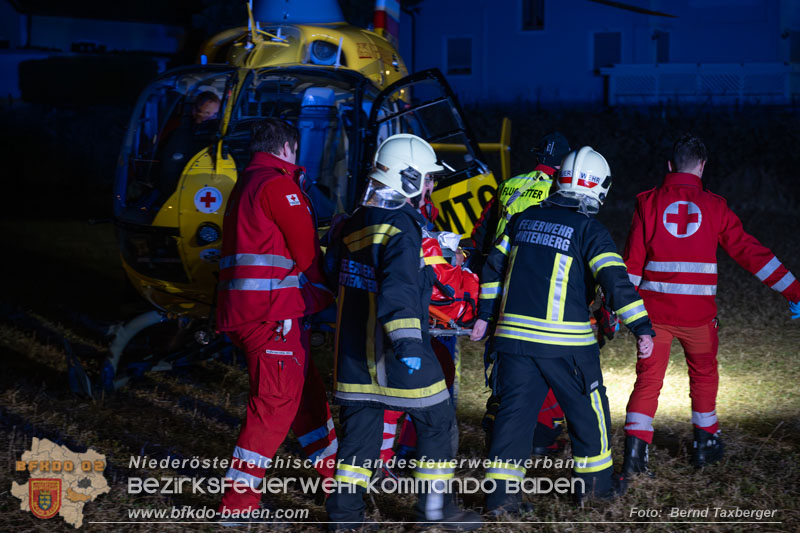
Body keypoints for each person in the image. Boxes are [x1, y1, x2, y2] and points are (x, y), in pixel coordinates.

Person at [470, 146, 655, 513]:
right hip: (566, 345)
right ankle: (596, 490)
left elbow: (492, 270)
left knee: (512, 418)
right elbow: (615, 281)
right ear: (599, 187)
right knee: (589, 415)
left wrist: (484, 316)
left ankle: (501, 500)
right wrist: (642, 327)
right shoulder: (590, 229)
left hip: (513, 342)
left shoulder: (522, 219)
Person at [325, 134, 480, 531]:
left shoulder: (351, 224)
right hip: (396, 354)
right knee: (438, 422)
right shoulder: (402, 227)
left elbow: (332, 277)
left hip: (353, 357)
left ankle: (344, 520)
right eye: (427, 179)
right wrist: (409, 341)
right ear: (408, 178)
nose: (430, 186)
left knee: (359, 437)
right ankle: (435, 513)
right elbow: (398, 289)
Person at [621, 133, 800, 473]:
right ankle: (705, 444)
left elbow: (631, 266)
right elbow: (751, 254)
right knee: (703, 376)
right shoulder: (716, 206)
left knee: (647, 380)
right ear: (702, 167)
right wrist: (795, 290)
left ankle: (634, 456)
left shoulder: (647, 202)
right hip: (699, 319)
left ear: (670, 165)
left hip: (652, 317)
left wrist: (615, 311)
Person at [215, 118, 337, 515]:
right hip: (272, 316)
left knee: (306, 399)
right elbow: (306, 253)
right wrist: (327, 288)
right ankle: (238, 505)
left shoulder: (247, 183)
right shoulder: (278, 185)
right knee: (274, 406)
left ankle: (336, 486)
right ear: (287, 147)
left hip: (254, 312)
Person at [470, 132, 572, 455]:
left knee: (501, 363)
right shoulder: (559, 192)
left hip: (496, 286)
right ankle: (540, 433)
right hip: (532, 289)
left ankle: (496, 430)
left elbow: (480, 237)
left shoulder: (507, 186)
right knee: (543, 361)